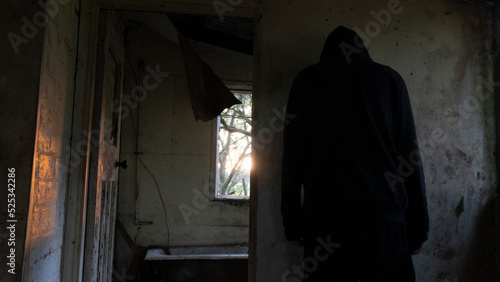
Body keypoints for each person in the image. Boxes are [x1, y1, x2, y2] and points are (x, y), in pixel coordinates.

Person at [281, 26, 429, 282]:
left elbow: (292, 159)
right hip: (383, 223)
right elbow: (409, 154)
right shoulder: (390, 80)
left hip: (325, 222)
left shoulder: (306, 81)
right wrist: (419, 227)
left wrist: (292, 223)